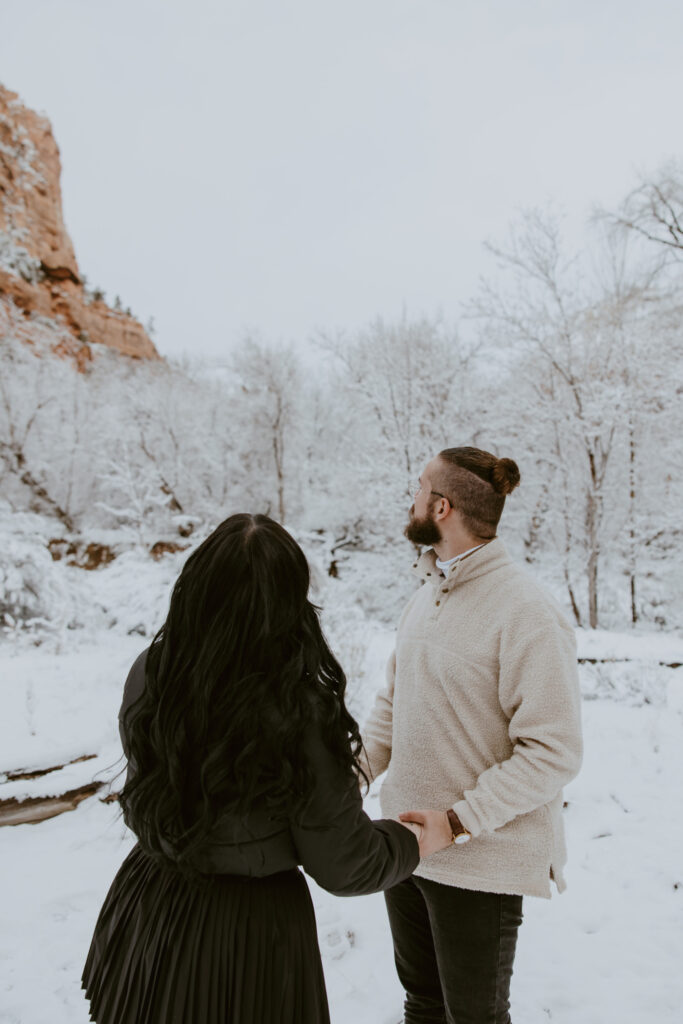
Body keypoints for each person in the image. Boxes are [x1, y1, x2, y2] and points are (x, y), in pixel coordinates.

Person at [81, 513, 446, 1024]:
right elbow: (343, 863)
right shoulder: (299, 711)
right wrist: (414, 841)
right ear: (288, 602)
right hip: (248, 936)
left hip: (153, 901)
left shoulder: (153, 668)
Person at [361, 447, 583, 1024]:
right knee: (423, 1007)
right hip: (406, 850)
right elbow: (393, 704)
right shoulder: (425, 594)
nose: (409, 498)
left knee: (474, 1018)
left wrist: (456, 824)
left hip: (480, 861)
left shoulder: (526, 611)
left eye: (418, 488)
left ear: (441, 506)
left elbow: (553, 751)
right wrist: (348, 772)